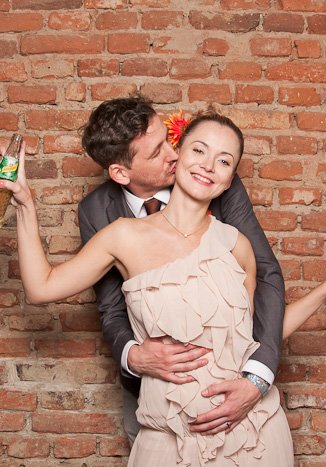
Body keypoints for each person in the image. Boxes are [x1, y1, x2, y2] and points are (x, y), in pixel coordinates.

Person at [0, 109, 326, 465]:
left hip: (253, 433)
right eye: (199, 151)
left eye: (223, 161)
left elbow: (258, 333)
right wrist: (25, 204)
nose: (208, 165)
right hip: (168, 435)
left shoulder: (237, 246)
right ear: (178, 155)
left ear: (229, 178)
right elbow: (41, 287)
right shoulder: (123, 236)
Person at [78, 98, 285, 445]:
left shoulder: (208, 179)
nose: (174, 154)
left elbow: (265, 277)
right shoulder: (96, 210)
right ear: (121, 173)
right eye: (157, 150)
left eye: (170, 142)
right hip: (153, 388)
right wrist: (134, 356)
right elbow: (110, 305)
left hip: (229, 382)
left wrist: (257, 376)